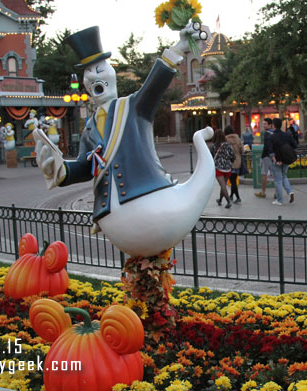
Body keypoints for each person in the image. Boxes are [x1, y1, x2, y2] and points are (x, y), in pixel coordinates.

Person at [34, 23, 215, 258]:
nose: (92, 77)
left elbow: (155, 83)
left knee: (153, 281)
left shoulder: (133, 107)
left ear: (111, 74)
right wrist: (59, 170)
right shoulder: (90, 127)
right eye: (87, 73)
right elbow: (86, 167)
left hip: (154, 204)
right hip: (116, 221)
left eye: (98, 69)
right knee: (140, 285)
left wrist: (179, 46)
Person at [266, 118, 296, 205]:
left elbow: (270, 150)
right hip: (286, 159)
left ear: (273, 125)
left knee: (278, 180)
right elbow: (294, 145)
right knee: (284, 176)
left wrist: (275, 159)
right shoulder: (287, 135)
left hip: (277, 160)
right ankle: (290, 192)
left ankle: (279, 200)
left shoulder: (271, 137)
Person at [211, 129, 236, 209]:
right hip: (228, 167)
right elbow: (233, 156)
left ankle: (228, 201)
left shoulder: (213, 146)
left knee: (223, 185)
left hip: (218, 168)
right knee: (223, 185)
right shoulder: (228, 145)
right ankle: (220, 200)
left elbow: (210, 158)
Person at [254, 118, 274, 198]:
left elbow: (266, 147)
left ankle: (263, 192)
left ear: (270, 125)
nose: (263, 125)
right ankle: (277, 192)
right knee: (275, 174)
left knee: (264, 173)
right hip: (274, 156)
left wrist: (263, 156)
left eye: (265, 124)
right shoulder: (274, 133)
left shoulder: (266, 134)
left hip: (266, 156)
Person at [225, 125, 244, 204]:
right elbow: (242, 149)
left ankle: (238, 197)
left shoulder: (225, 139)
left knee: (232, 181)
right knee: (233, 179)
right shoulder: (237, 138)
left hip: (230, 162)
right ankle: (231, 196)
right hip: (237, 161)